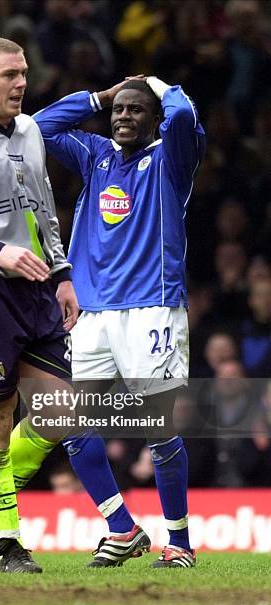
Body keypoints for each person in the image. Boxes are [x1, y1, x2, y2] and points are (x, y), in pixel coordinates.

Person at [0, 37, 150, 574]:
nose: (21, 83)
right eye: (9, 75)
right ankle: (6, 541)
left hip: (37, 285)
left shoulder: (26, 132)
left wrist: (63, 273)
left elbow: (41, 208)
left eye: (23, 73)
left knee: (65, 407)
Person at [34, 74, 206, 568]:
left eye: (135, 110)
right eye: (118, 112)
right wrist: (99, 97)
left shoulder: (171, 162)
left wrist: (157, 84)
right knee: (70, 423)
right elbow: (41, 128)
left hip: (151, 306)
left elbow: (185, 116)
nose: (124, 117)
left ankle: (179, 542)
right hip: (92, 313)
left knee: (158, 427)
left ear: (154, 120)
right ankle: (122, 528)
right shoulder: (96, 157)